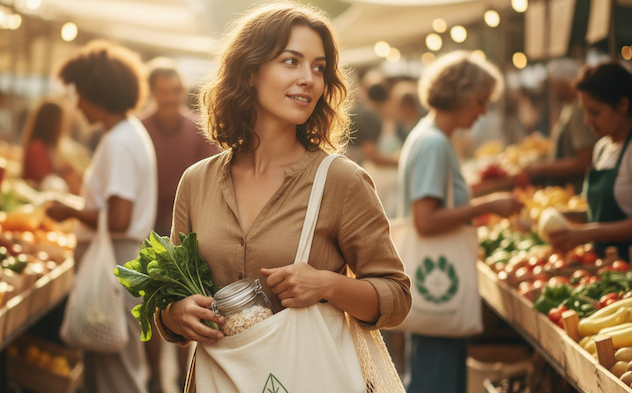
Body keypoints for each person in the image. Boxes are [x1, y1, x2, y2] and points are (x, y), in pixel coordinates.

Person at [154, 3, 412, 392]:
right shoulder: (197, 182)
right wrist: (175, 315)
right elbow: (168, 295)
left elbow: (396, 296)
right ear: (251, 71)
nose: (309, 78)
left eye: (319, 67)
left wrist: (328, 286)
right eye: (291, 61)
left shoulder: (341, 181)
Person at [398, 51, 524, 393]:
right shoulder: (434, 143)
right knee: (434, 379)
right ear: (462, 96)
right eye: (481, 101)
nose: (483, 111)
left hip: (434, 274)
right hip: (437, 274)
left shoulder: (429, 136)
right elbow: (425, 220)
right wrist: (487, 204)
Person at [44, 41, 157, 393]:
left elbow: (119, 218)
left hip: (116, 261)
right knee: (103, 368)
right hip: (118, 259)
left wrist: (68, 209)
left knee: (117, 375)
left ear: (98, 92)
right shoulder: (124, 134)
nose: (77, 106)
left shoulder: (120, 142)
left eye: (80, 95)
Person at [140, 59, 216, 393]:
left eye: (175, 90)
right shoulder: (140, 129)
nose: (170, 97)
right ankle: (156, 378)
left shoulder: (198, 129)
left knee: (193, 308)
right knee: (154, 307)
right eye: (163, 91)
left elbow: (212, 179)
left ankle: (188, 379)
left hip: (191, 234)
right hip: (149, 229)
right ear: (152, 92)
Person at [549, 62, 632, 261]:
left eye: (595, 112)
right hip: (605, 266)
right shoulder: (602, 148)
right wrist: (566, 216)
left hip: (631, 268)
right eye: (585, 112)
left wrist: (588, 233)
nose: (587, 121)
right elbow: (600, 213)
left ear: (623, 105)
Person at [522, 58, 597, 192]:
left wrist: (542, 168)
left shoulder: (580, 111)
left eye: (554, 82)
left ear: (565, 82)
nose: (553, 87)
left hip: (575, 192)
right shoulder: (569, 108)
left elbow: (584, 161)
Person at [21, 100, 86, 195]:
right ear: (52, 123)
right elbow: (43, 181)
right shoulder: (37, 148)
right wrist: (64, 175)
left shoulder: (48, 147)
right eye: (62, 121)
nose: (65, 126)